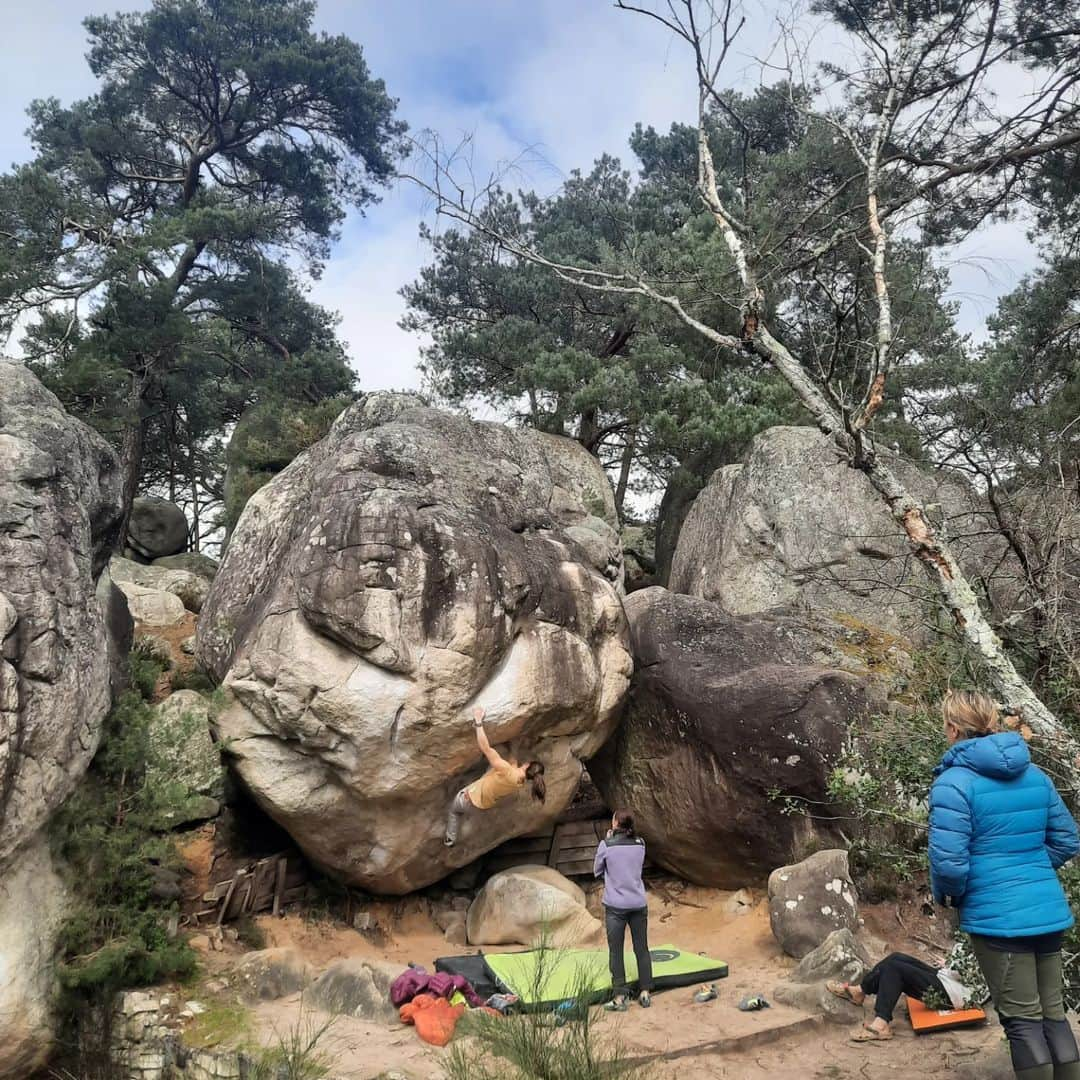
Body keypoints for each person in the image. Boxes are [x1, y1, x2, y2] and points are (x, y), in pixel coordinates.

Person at [929, 689, 1080, 1080]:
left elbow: (948, 864)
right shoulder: (1034, 774)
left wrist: (956, 895)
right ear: (993, 723)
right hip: (1046, 911)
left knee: (1022, 1022)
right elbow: (1067, 839)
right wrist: (1029, 870)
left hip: (999, 919)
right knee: (1052, 1015)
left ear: (952, 728)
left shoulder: (953, 782)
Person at [443, 705, 545, 847]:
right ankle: (451, 840)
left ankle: (450, 839)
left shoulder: (507, 770)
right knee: (493, 769)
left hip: (467, 799)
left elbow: (486, 748)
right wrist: (514, 747)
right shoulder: (520, 781)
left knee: (454, 812)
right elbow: (513, 763)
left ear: (527, 765)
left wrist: (478, 721)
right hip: (482, 805)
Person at [826, 952, 970, 1042]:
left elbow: (969, 972)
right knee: (896, 957)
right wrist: (949, 964)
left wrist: (952, 965)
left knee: (894, 968)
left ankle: (881, 1024)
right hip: (948, 977)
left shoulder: (985, 934)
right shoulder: (980, 924)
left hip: (952, 994)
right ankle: (859, 991)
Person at [593, 809, 653, 1011]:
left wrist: (607, 841)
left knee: (616, 951)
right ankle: (645, 992)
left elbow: (597, 870)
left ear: (616, 823)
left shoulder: (606, 845)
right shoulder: (641, 844)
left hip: (616, 906)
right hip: (638, 903)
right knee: (641, 948)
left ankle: (620, 997)